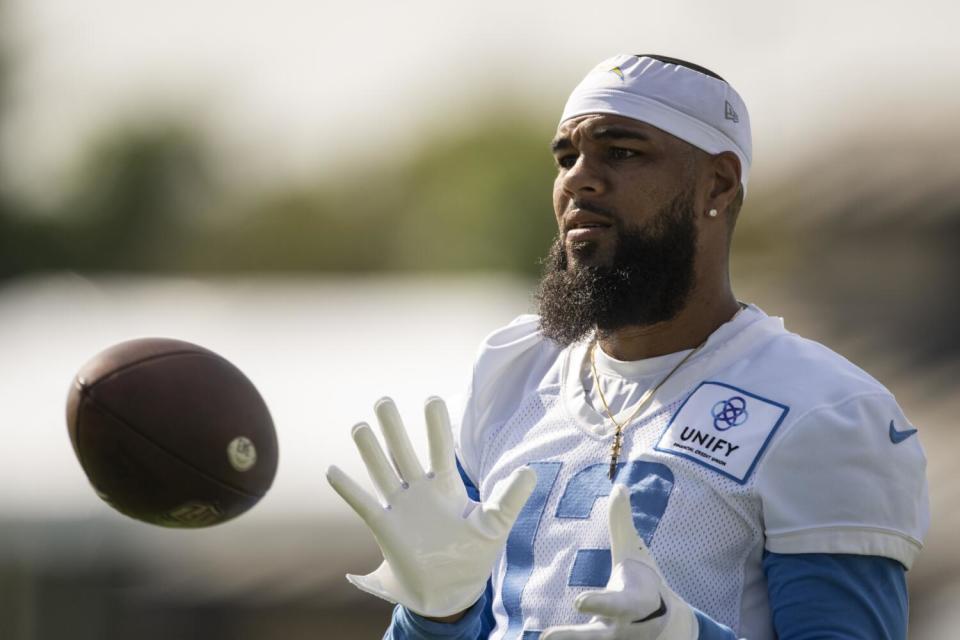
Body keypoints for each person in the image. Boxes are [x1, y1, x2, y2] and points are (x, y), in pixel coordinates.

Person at [326, 54, 930, 640]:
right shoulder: (511, 371)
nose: (580, 178)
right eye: (566, 156)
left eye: (621, 151)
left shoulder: (825, 409)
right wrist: (433, 617)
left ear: (717, 183)